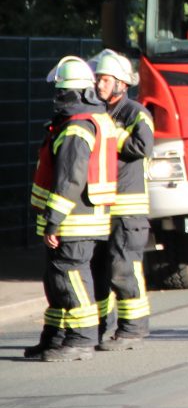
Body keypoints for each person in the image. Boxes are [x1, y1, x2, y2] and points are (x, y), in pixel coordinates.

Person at [25, 56, 119, 362]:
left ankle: (81, 339)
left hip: (74, 220)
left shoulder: (77, 129)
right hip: (80, 218)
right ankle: (55, 337)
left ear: (73, 93)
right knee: (58, 280)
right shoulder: (90, 120)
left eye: (61, 91)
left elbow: (69, 180)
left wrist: (53, 221)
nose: (57, 98)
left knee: (71, 278)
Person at [91, 49, 155, 351]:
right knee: (99, 269)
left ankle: (132, 329)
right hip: (99, 206)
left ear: (121, 83)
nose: (100, 85)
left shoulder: (135, 113)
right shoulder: (98, 111)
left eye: (105, 79)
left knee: (123, 267)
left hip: (128, 207)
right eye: (98, 79)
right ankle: (99, 328)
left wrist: (110, 133)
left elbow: (142, 146)